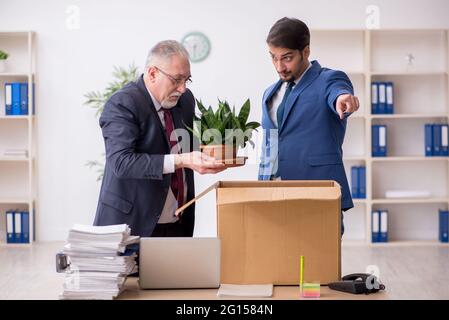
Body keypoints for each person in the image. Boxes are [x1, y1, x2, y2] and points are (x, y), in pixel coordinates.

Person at [93, 40, 225, 238]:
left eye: (187, 80)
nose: (182, 89)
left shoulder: (186, 100)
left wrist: (215, 155)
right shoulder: (123, 103)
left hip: (178, 222)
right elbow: (121, 162)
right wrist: (183, 160)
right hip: (132, 224)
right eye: (176, 80)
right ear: (153, 73)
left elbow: (184, 146)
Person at [258, 18, 360, 235]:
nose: (279, 67)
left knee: (319, 267)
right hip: (273, 197)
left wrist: (343, 99)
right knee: (279, 265)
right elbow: (271, 144)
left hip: (316, 196)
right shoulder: (270, 93)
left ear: (306, 51)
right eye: (273, 58)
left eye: (286, 58)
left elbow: (338, 92)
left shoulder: (329, 79)